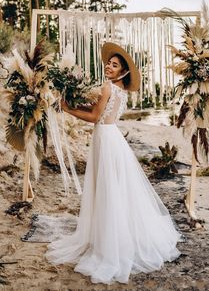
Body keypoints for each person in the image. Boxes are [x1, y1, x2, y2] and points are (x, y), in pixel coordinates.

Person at [45, 42, 183, 285]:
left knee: (108, 189)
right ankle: (114, 234)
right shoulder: (121, 91)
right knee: (116, 189)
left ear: (123, 72)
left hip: (106, 140)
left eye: (115, 65)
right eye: (109, 63)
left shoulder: (107, 87)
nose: (109, 66)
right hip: (112, 139)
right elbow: (97, 109)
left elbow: (95, 117)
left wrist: (67, 109)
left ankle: (108, 243)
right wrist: (76, 102)